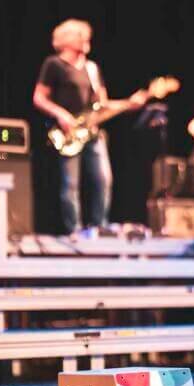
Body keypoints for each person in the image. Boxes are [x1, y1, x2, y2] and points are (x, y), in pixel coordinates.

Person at [33, 19, 148, 237]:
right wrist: (61, 115)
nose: (86, 40)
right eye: (80, 35)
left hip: (93, 133)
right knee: (71, 184)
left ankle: (99, 226)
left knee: (103, 178)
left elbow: (102, 104)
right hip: (67, 132)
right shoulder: (53, 64)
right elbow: (39, 98)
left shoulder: (92, 68)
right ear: (66, 40)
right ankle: (74, 230)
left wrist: (128, 103)